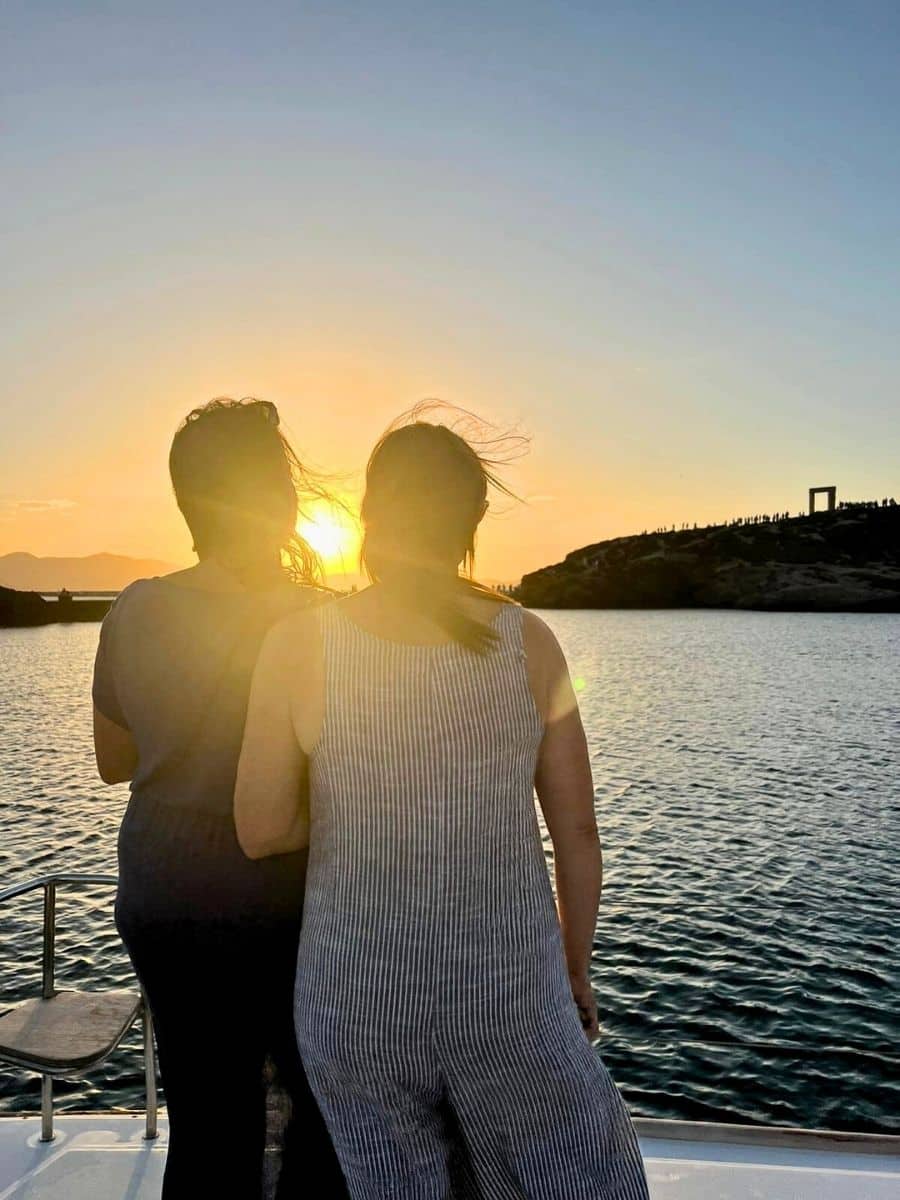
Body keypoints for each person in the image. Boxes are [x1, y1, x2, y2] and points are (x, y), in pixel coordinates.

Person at [235, 408, 650, 1198]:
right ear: (474, 517)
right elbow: (578, 833)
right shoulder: (528, 642)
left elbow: (261, 829)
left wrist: (369, 803)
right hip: (509, 995)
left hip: (355, 999)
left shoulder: (297, 643)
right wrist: (574, 970)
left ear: (371, 513)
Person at [92, 398, 346, 1199]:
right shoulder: (321, 619)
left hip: (164, 889)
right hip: (286, 895)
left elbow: (112, 762)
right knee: (315, 1116)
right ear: (277, 498)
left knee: (205, 1121)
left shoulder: (135, 606)